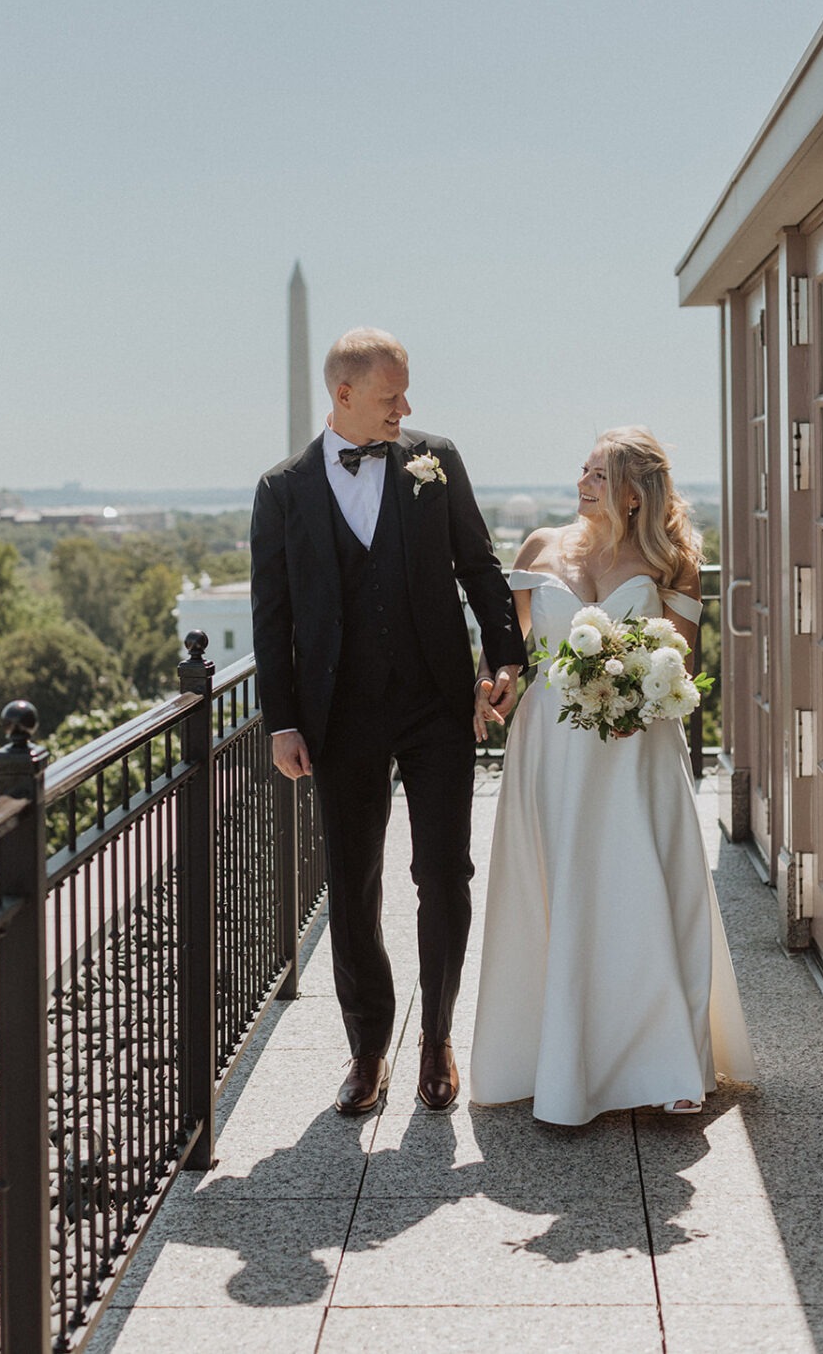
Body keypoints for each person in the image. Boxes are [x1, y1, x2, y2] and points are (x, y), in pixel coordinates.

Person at [251, 327, 526, 1115]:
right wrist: (282, 722)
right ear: (343, 395)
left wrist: (504, 658)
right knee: (354, 883)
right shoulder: (282, 489)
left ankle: (436, 1038)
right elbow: (272, 618)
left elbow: (478, 565)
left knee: (444, 875)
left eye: (405, 395)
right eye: (390, 396)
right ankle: (368, 1048)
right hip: (339, 718)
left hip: (438, 703)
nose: (406, 409)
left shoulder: (435, 461)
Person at [470, 426, 756, 1125]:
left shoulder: (676, 562)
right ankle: (556, 1056)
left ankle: (670, 1062)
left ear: (635, 493)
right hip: (552, 747)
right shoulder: (541, 545)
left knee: (644, 888)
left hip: (636, 750)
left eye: (599, 474)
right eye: (584, 470)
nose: (583, 482)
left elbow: (682, 660)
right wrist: (494, 679)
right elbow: (508, 648)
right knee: (560, 887)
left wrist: (642, 697)